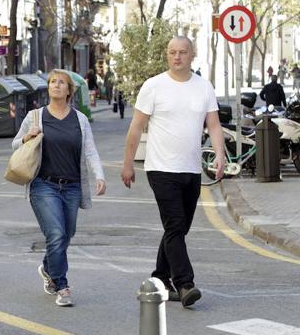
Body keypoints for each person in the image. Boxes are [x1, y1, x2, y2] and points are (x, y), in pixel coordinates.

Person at [120, 36, 225, 308]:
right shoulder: (153, 86)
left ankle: (160, 277)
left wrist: (220, 156)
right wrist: (128, 163)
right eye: (171, 52)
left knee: (177, 228)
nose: (176, 57)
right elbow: (136, 127)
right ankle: (185, 283)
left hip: (190, 169)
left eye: (182, 52)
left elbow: (213, 125)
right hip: (160, 168)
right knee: (176, 224)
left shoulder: (203, 87)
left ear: (192, 55)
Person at [12, 69, 106, 307]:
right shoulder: (36, 117)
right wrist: (26, 138)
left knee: (67, 234)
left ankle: (47, 267)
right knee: (55, 234)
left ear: (68, 90)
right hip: (44, 185)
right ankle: (61, 286)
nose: (56, 85)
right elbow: (15, 143)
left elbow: (90, 151)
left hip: (72, 187)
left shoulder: (80, 120)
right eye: (52, 82)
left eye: (61, 82)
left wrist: (100, 176)